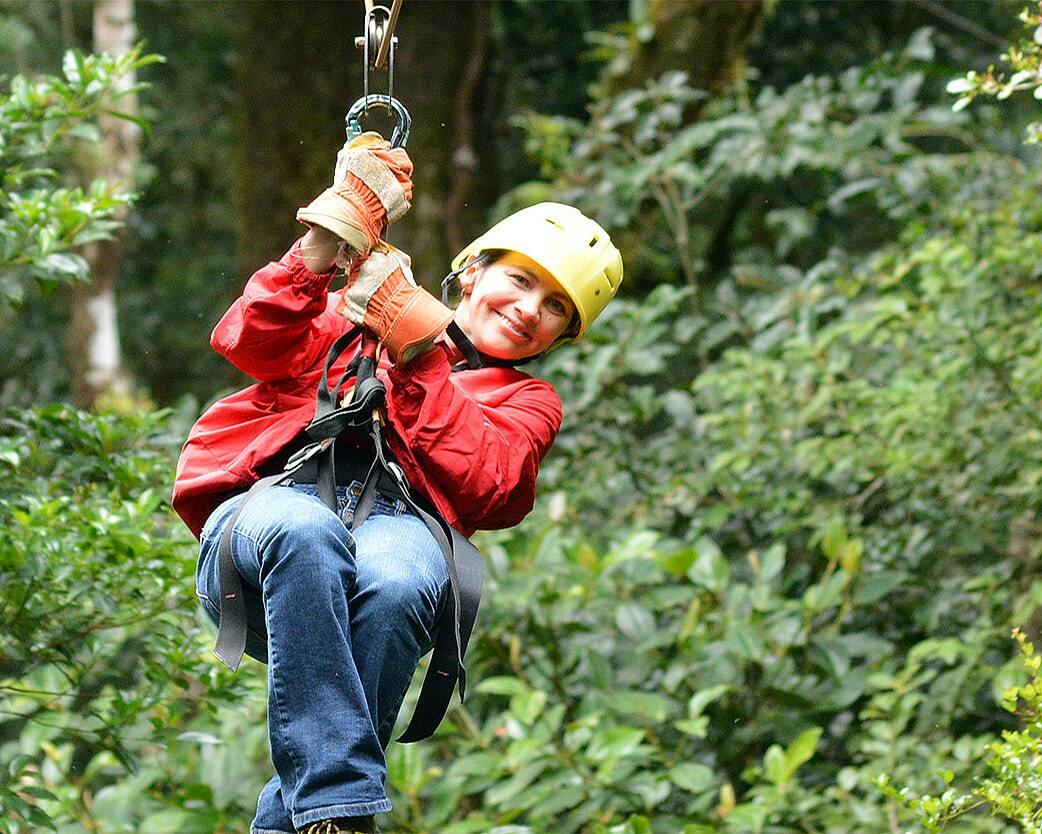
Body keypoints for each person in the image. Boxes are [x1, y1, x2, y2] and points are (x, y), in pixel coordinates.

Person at [171, 134, 623, 834]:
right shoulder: (359, 320)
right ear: (471, 271)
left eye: (556, 307)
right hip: (271, 522)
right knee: (306, 530)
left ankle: (322, 817)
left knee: (404, 580)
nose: (531, 308)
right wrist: (328, 240)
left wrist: (417, 350)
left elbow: (490, 482)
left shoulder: (528, 402)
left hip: (397, 529)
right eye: (522, 280)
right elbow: (251, 341)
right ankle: (343, 799)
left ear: (561, 337)